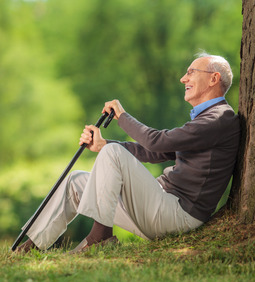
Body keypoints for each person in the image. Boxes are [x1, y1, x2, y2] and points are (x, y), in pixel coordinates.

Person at [16, 52, 240, 253]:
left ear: (213, 79)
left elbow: (156, 142)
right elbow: (156, 153)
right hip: (160, 207)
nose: (184, 78)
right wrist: (104, 146)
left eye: (191, 72)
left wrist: (121, 116)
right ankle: (31, 247)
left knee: (113, 152)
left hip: (179, 215)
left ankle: (100, 238)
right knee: (76, 181)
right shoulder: (208, 119)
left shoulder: (219, 118)